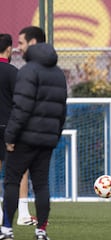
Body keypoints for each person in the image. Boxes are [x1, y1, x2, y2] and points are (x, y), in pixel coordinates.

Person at [0, 26, 67, 240]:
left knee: (11, 181)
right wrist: (54, 136)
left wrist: (11, 137)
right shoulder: (58, 73)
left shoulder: (28, 71)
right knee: (41, 185)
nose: (18, 48)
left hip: (24, 138)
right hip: (46, 139)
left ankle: (6, 229)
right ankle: (41, 232)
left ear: (33, 42)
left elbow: (21, 107)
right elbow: (62, 110)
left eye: (21, 43)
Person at [0, 33, 38, 226]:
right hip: (10, 127)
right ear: (8, 49)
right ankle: (23, 214)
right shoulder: (13, 72)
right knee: (20, 170)